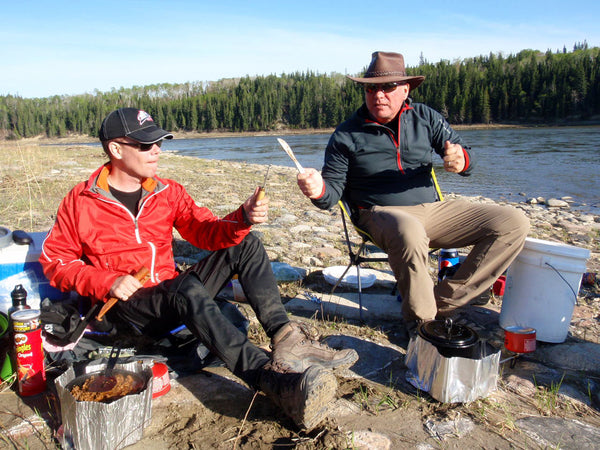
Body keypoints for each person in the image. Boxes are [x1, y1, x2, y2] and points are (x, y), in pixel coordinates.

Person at [40, 107, 358, 430]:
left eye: (158, 142)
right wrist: (106, 280)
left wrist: (243, 217)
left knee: (244, 244)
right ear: (116, 149)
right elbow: (54, 262)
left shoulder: (166, 192)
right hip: (127, 308)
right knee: (186, 288)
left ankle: (286, 337)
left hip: (170, 296)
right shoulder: (81, 201)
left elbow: (206, 231)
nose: (156, 150)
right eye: (145, 145)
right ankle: (271, 381)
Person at [296, 52, 530, 332]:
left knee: (514, 221)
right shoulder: (346, 134)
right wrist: (317, 188)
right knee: (410, 230)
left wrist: (461, 158)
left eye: (388, 87)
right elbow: (331, 192)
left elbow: (466, 155)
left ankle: (442, 301)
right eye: (371, 88)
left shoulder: (425, 118)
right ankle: (423, 327)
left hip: (433, 210)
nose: (378, 95)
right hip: (377, 214)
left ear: (405, 89)